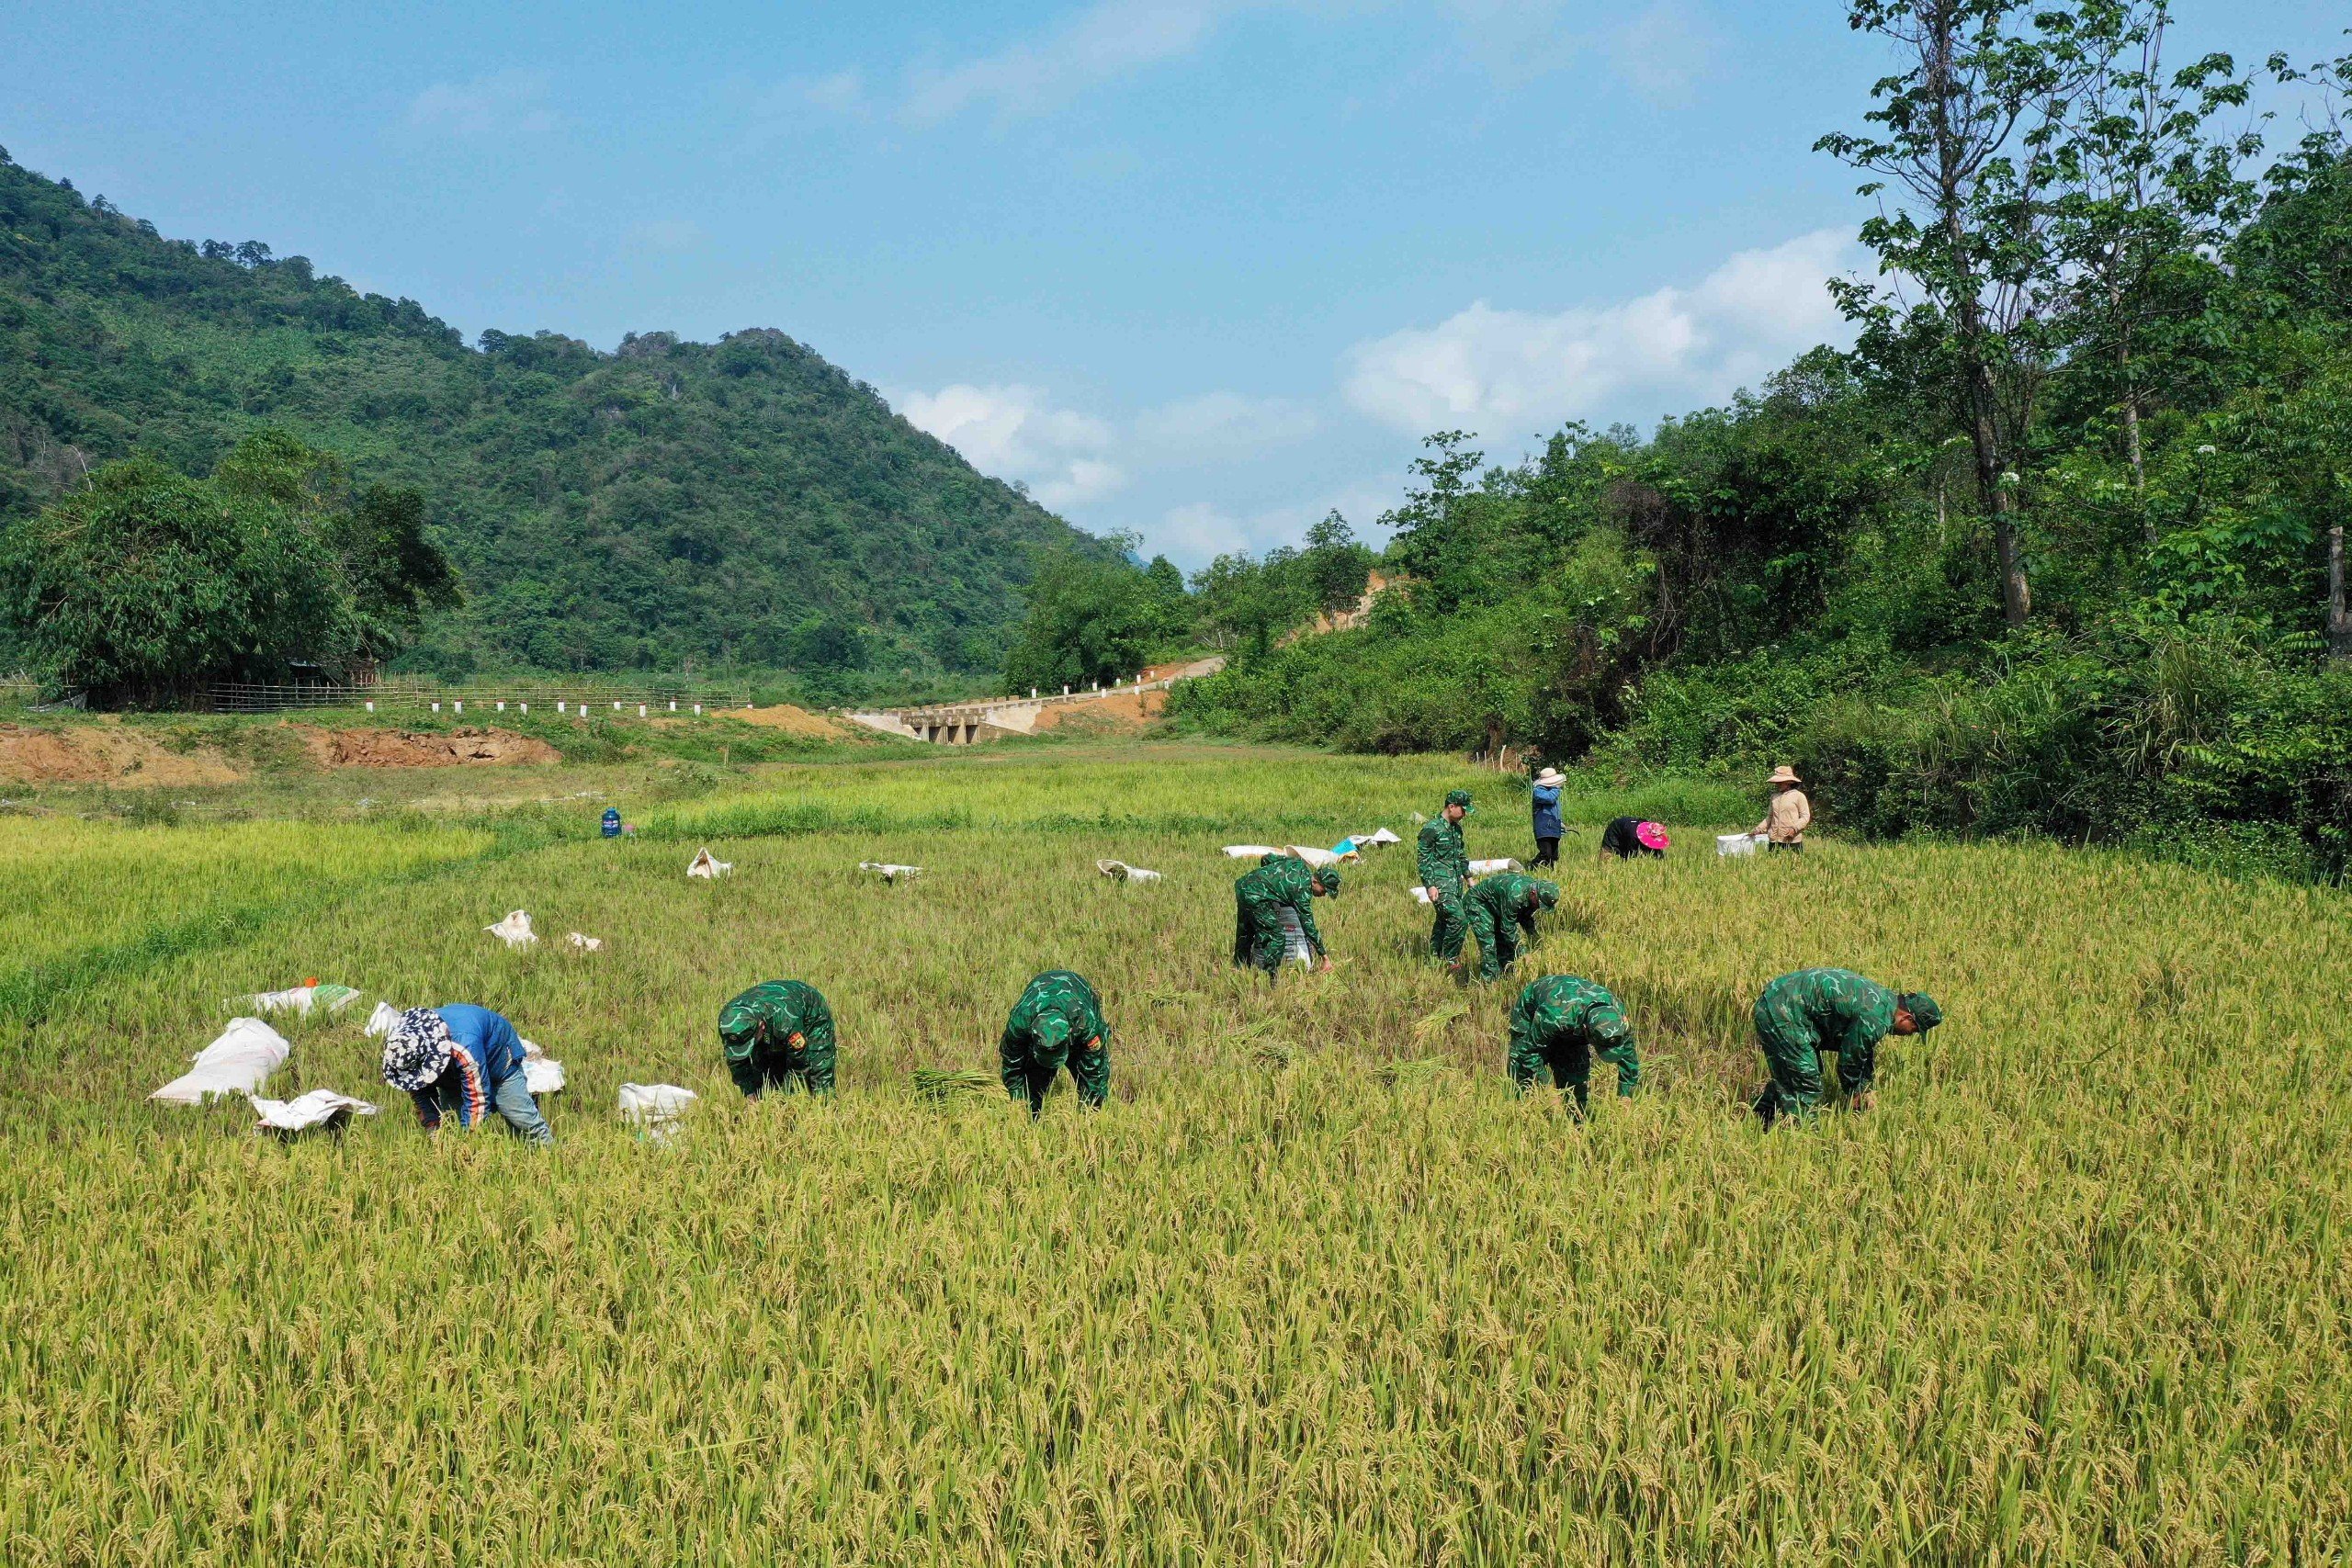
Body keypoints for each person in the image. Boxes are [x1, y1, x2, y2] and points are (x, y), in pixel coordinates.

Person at [1749, 968, 1942, 1126]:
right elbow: (1850, 1059)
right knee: (1806, 1082)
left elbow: (1864, 1052)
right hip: (1783, 1011)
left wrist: (1863, 1088)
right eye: (1915, 1030)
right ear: (1906, 1018)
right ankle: (1802, 1139)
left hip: (1784, 1004)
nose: (1910, 1034)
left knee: (1795, 1073)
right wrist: (1854, 1092)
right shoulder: (1876, 1017)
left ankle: (1760, 1119)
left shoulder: (1884, 1001)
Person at [380, 1003, 552, 1145]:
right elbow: (421, 1093)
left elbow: (477, 1100)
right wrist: (434, 1131)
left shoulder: (464, 1045)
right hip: (452, 1070)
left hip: (498, 1059)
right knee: (452, 1123)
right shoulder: (402, 1048)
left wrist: (465, 1145)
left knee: (521, 1118)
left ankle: (549, 1155)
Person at [1507, 975, 1641, 1116]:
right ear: (1586, 1030)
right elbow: (1528, 1051)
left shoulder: (1619, 1019)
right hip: (1535, 1008)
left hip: (1572, 1020)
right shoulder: (1555, 1016)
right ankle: (1517, 1112)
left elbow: (1629, 1059)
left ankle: (1575, 1120)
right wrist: (1548, 1089)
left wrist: (1625, 1098)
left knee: (1576, 1077)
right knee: (1521, 1068)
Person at [1000, 970, 1112, 1117]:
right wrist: (1019, 1105)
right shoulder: (1020, 1022)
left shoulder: (1085, 1022)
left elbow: (1096, 1071)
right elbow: (1012, 1067)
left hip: (1078, 989)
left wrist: (1093, 1112)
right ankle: (1033, 1117)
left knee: (1091, 1088)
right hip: (1039, 989)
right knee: (1033, 1081)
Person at [718, 980, 836, 1097]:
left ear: (761, 1027)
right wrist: (749, 1093)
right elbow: (736, 1062)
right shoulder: (729, 1022)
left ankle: (825, 1104)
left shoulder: (787, 1022)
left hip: (811, 1012)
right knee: (765, 1077)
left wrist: (787, 1101)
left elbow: (800, 1064)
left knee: (820, 1071)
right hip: (769, 1010)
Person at [1232, 855, 1340, 980]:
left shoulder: (1298, 864)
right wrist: (1324, 957)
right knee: (1276, 936)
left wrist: (1270, 884)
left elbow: (1266, 858)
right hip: (1255, 897)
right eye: (1324, 890)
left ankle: (1239, 967)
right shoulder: (1301, 892)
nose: (1323, 894)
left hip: (1243, 885)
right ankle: (1269, 978)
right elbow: (1308, 927)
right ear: (1315, 881)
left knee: (1245, 931)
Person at [1463, 871, 1559, 980]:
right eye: (1539, 903)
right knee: (1489, 943)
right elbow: (1508, 928)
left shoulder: (1533, 895)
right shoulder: (1515, 895)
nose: (1538, 907)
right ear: (1533, 893)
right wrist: (1524, 953)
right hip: (1479, 903)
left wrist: (1536, 940)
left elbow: (1526, 919)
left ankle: (1506, 974)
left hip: (1498, 905)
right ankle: (1489, 982)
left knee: (1504, 944)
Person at [1418, 788, 1474, 964]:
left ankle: (1434, 958)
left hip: (1455, 885)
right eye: (1463, 810)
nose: (1465, 814)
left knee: (1443, 921)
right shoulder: (1431, 829)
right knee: (1460, 919)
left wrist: (1469, 878)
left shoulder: (1456, 829)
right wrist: (1430, 885)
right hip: (1441, 885)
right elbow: (1423, 859)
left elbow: (1461, 855)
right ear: (1451, 807)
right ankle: (1450, 959)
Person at [1755, 765, 1812, 852]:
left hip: (1792, 840)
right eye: (1777, 782)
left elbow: (1805, 817)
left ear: (1789, 782)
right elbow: (1770, 817)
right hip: (1774, 840)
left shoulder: (1798, 796)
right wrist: (1758, 829)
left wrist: (1794, 828)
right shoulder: (1774, 797)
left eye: (1780, 782)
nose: (1778, 784)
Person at [1530, 767, 1566, 867]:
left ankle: (1549, 872)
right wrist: (1556, 788)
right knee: (1546, 853)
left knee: (1554, 855)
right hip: (1543, 827)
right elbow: (1550, 798)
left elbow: (1554, 810)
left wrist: (1559, 822)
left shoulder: (1552, 791)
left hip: (1554, 826)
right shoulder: (1538, 791)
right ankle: (1532, 868)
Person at [1598, 817, 1669, 859]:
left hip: (1628, 828)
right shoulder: (1633, 836)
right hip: (1615, 830)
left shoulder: (1652, 829)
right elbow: (1627, 853)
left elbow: (1656, 849)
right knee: (1607, 855)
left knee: (1650, 853)